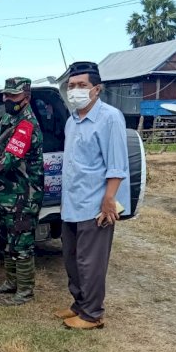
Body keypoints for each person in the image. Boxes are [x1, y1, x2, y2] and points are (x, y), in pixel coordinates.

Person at [55, 61, 130, 330]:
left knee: (91, 263)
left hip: (96, 204)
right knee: (72, 259)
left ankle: (92, 313)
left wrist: (109, 198)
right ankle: (79, 304)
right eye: (71, 86)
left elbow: (117, 164)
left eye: (82, 85)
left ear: (96, 89)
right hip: (72, 203)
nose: (75, 90)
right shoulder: (72, 120)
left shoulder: (109, 118)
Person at [0, 77, 44, 305]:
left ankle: (24, 291)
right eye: (5, 95)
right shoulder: (10, 117)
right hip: (8, 196)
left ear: (26, 98)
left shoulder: (26, 125)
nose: (7, 99)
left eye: (13, 96)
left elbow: (8, 160)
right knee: (7, 239)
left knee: (22, 243)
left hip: (24, 197)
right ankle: (11, 282)